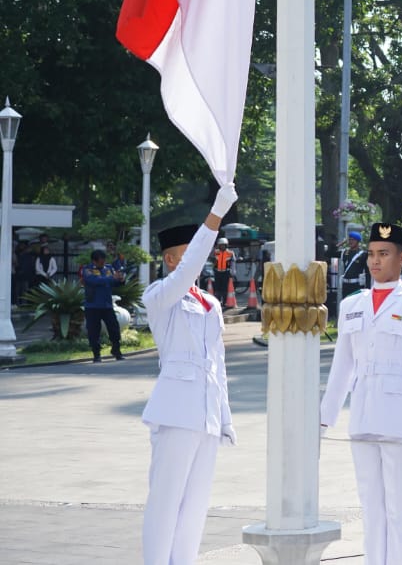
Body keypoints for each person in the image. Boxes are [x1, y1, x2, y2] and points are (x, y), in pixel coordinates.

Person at [321, 222, 402, 565]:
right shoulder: (353, 305)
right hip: (363, 415)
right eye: (372, 254)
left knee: (400, 509)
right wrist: (324, 418)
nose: (375, 262)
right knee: (371, 508)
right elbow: (343, 365)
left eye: (384, 254)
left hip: (400, 420)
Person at [140, 184, 238, 565]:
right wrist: (216, 213)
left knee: (196, 504)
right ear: (169, 259)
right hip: (176, 412)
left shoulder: (210, 304)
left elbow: (219, 366)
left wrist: (225, 419)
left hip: (206, 414)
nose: (197, 264)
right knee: (165, 502)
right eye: (186, 257)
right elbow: (191, 265)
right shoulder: (160, 296)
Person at [81, 249, 125, 362]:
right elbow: (94, 281)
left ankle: (116, 350)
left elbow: (114, 283)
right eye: (101, 261)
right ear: (94, 261)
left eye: (104, 261)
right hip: (92, 306)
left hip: (107, 305)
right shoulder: (87, 269)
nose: (103, 263)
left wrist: (120, 279)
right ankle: (96, 354)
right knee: (93, 331)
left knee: (114, 328)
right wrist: (111, 278)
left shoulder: (108, 268)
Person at [212, 237, 236, 308]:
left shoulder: (230, 253)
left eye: (224, 245)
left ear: (226, 245)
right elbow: (211, 260)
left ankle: (225, 301)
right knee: (217, 287)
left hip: (226, 272)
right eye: (221, 245)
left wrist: (233, 272)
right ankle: (218, 301)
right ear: (218, 245)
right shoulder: (215, 252)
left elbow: (233, 263)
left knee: (225, 287)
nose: (222, 246)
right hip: (217, 272)